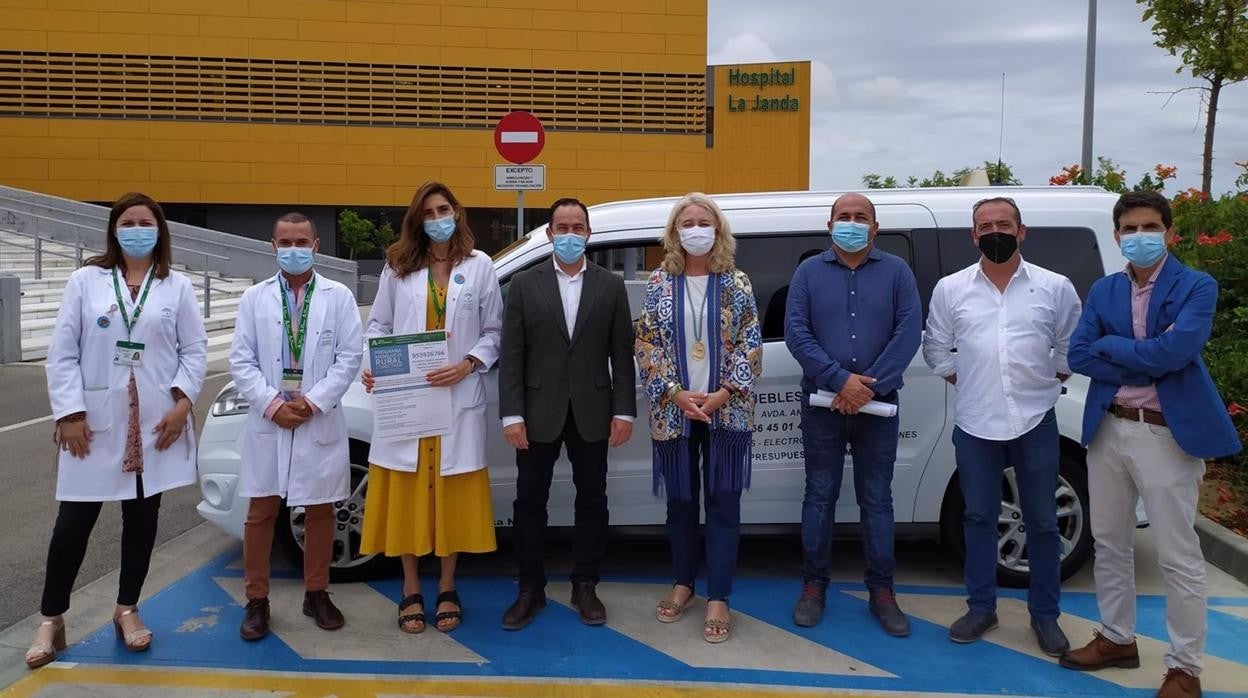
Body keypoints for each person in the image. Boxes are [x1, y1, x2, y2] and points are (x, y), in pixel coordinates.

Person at [1061, 190, 1241, 698]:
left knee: (1177, 555)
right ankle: (1117, 639)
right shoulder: (1103, 290)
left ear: (1170, 232)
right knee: (1110, 543)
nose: (1139, 237)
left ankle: (1185, 668)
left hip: (1165, 433)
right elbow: (1079, 353)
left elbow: (1175, 352)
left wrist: (1116, 348)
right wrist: (1146, 354)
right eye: (1129, 229)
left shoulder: (1195, 285)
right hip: (1108, 428)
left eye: (1149, 227)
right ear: (1117, 236)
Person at [30, 192, 207, 668]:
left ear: (159, 229)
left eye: (144, 221)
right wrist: (69, 413)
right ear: (113, 229)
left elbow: (194, 351)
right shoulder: (85, 281)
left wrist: (183, 402)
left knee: (141, 523)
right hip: (94, 423)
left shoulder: (177, 286)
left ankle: (127, 608)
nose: (135, 229)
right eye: (127, 222)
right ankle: (51, 617)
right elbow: (63, 351)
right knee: (72, 526)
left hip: (154, 424)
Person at [922, 196, 1080, 655]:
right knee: (977, 518)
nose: (995, 231)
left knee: (1044, 523)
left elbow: (1070, 348)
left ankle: (1044, 616)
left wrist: (1042, 378)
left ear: (1021, 231)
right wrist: (972, 378)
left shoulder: (1054, 287)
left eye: (1004, 224)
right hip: (975, 422)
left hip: (1036, 420)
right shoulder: (952, 289)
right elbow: (937, 350)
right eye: (985, 225)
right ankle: (981, 607)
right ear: (972, 235)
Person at [359, 182, 503, 634]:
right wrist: (373, 365)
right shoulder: (398, 266)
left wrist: (468, 364)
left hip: (457, 397)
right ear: (417, 220)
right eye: (428, 212)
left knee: (449, 495)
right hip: (408, 399)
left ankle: (445, 585)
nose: (438, 217)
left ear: (457, 213)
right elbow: (379, 324)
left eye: (444, 209)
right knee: (407, 491)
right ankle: (409, 587)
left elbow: (495, 330)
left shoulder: (480, 267)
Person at [784, 193, 922, 637]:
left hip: (879, 407)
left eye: (860, 217)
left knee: (877, 500)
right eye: (843, 217)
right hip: (823, 405)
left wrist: (869, 386)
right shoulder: (807, 272)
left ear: (875, 227)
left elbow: (908, 332)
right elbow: (796, 332)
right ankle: (813, 587)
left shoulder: (897, 272)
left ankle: (882, 592)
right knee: (819, 496)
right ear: (829, 225)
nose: (851, 223)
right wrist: (839, 380)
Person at [498, 197, 636, 629]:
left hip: (594, 410)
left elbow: (622, 353)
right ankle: (530, 588)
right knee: (529, 501)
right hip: (538, 411)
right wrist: (511, 415)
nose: (571, 234)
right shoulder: (524, 284)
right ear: (550, 233)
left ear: (589, 234)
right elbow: (512, 354)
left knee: (592, 499)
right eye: (563, 226)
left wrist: (625, 412)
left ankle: (585, 584)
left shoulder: (610, 286)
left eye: (579, 227)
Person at [230, 212, 363, 641]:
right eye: (285, 241)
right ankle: (256, 601)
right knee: (261, 512)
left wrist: (314, 401)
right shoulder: (255, 299)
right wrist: (272, 405)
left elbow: (349, 356)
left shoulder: (338, 296)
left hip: (315, 418)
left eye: (301, 241)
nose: (293, 249)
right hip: (270, 420)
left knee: (321, 508)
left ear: (316, 244)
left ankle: (317, 593)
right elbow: (241, 360)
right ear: (273, 246)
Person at [635, 193, 762, 643]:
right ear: (674, 232)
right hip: (675, 412)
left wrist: (723, 392)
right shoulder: (658, 283)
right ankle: (684, 582)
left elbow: (752, 343)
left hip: (726, 411)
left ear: (718, 229)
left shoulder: (738, 282)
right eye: (686, 222)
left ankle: (720, 596)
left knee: (724, 504)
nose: (695, 229)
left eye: (703, 221)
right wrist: (675, 393)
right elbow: (645, 345)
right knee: (682, 503)